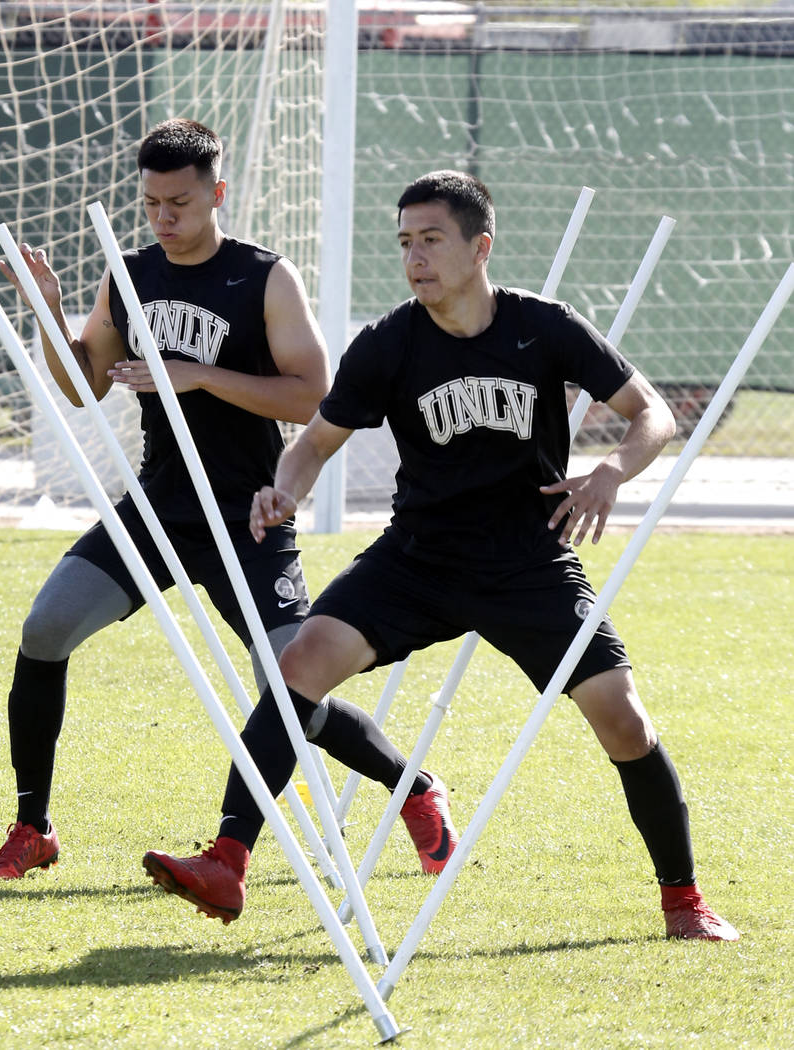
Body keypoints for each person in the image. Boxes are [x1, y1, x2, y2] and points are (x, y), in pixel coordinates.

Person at [145, 170, 739, 942]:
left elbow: (650, 412)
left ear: (480, 247)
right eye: (404, 243)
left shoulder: (544, 326)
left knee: (623, 721)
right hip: (417, 558)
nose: (414, 258)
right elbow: (314, 443)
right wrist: (283, 489)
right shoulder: (389, 341)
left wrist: (611, 471)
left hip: (528, 562)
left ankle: (684, 902)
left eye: (431, 240)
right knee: (297, 666)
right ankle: (227, 861)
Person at [0, 118, 441, 881]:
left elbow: (314, 397)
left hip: (248, 512)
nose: (164, 218)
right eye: (151, 203)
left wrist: (197, 375)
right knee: (45, 628)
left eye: (180, 203)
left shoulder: (265, 277)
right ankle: (34, 827)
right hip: (159, 508)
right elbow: (85, 387)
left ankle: (414, 788)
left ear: (217, 193)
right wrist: (48, 313)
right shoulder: (129, 274)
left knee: (290, 683)